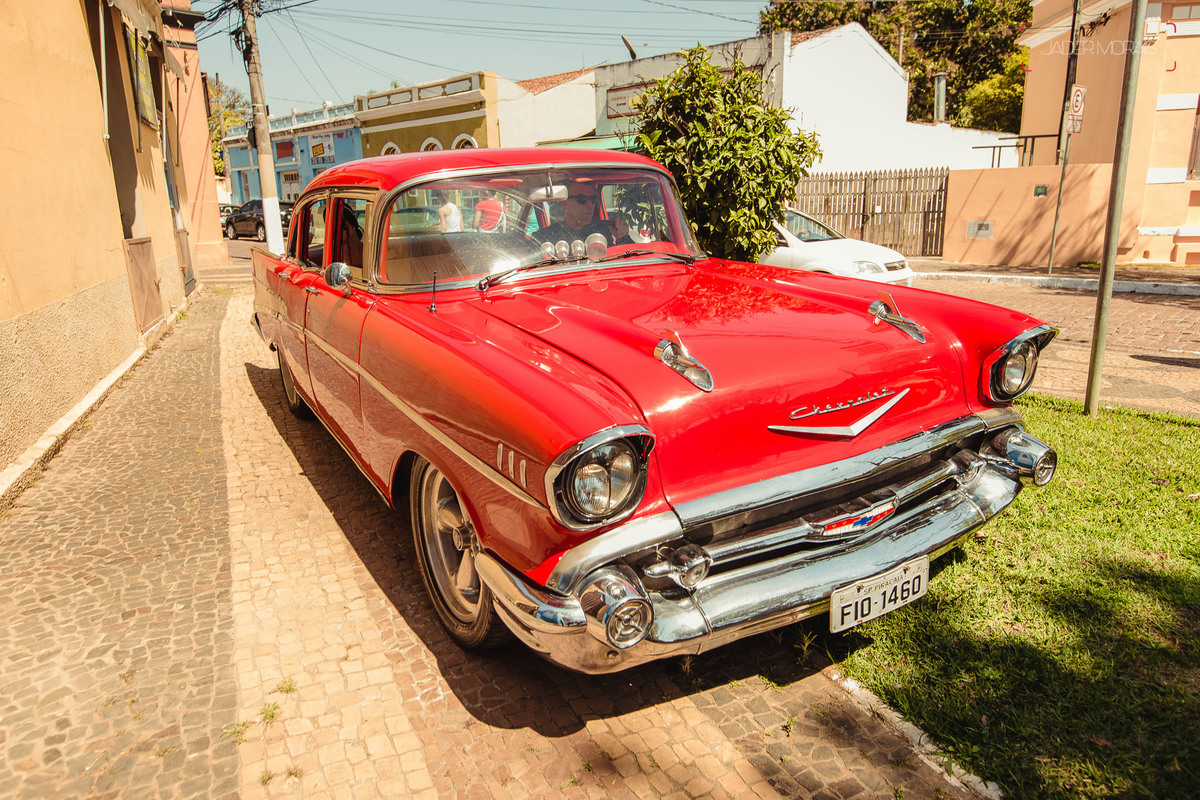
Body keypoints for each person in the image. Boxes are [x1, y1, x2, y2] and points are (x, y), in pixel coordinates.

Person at [531, 181, 612, 247]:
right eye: (582, 199)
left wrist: (621, 237)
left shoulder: (602, 233)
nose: (590, 205)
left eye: (593, 200)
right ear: (565, 203)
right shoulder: (543, 238)